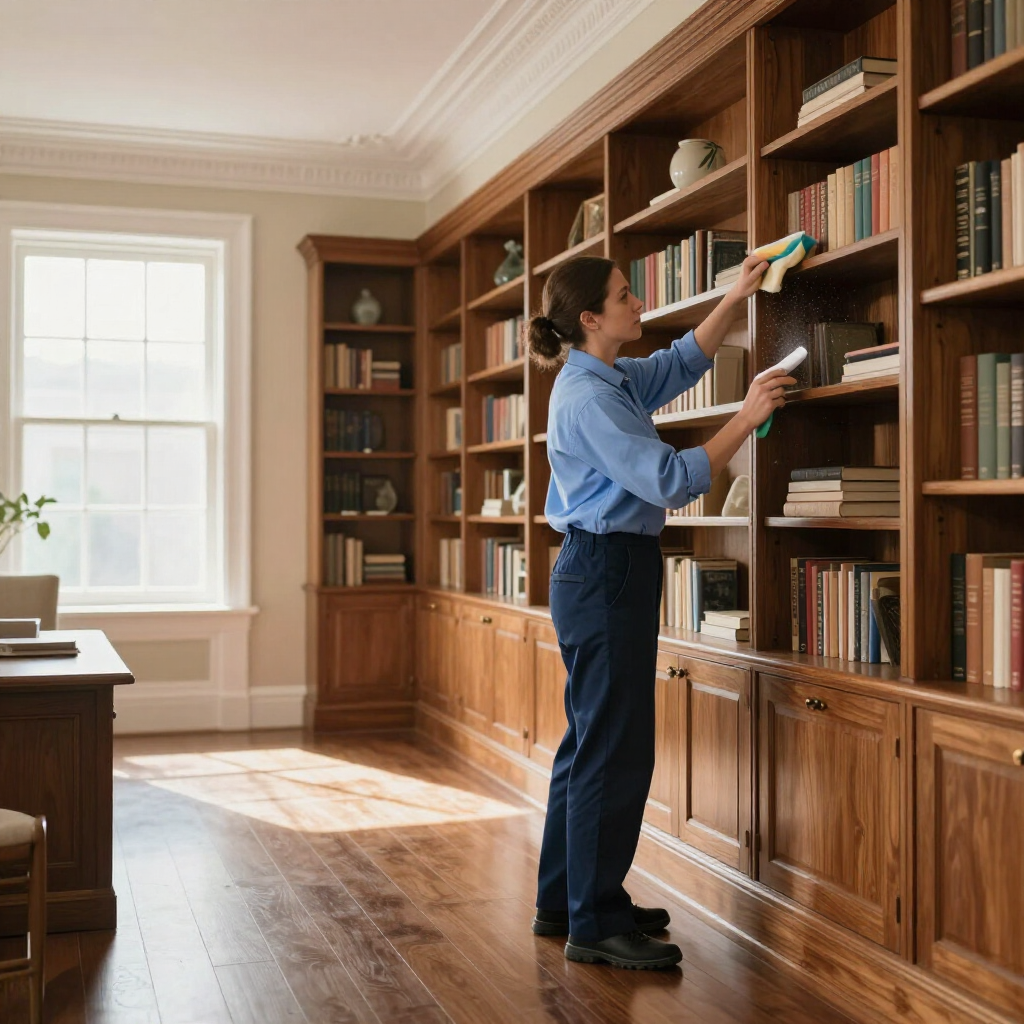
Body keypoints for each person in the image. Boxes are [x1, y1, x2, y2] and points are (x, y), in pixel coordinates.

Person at [526, 253, 794, 970]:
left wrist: (736, 294)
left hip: (604, 571)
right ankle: (596, 920)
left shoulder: (603, 377)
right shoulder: (589, 399)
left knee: (589, 746)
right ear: (590, 319)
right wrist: (747, 416)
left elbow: (680, 363)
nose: (637, 300)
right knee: (614, 751)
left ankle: (567, 900)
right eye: (624, 295)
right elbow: (671, 480)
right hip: (608, 572)